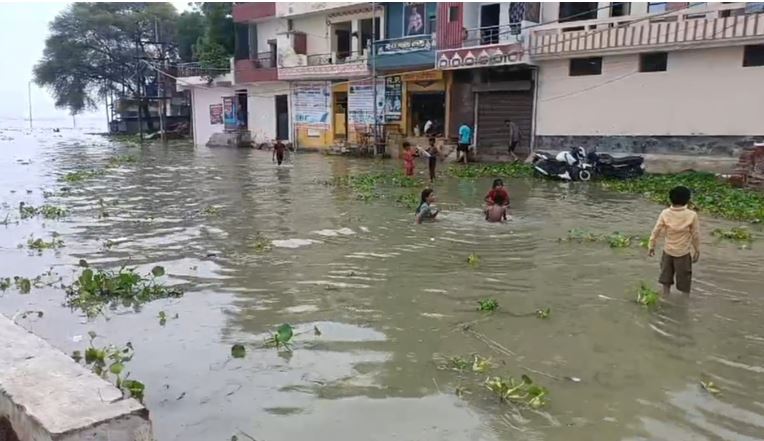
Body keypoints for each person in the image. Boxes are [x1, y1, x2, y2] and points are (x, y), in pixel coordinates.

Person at [648, 186, 701, 296]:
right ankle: (684, 301)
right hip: (683, 253)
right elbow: (695, 235)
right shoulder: (692, 215)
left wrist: (651, 245)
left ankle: (665, 297)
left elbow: (656, 231)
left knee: (665, 279)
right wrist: (697, 250)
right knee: (684, 281)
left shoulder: (665, 213)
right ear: (688, 200)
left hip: (668, 251)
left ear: (670, 199)